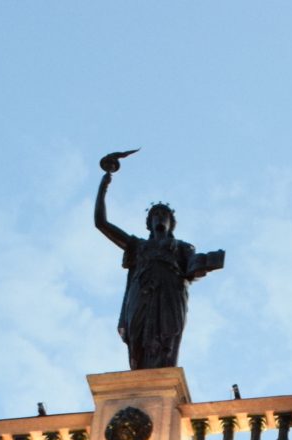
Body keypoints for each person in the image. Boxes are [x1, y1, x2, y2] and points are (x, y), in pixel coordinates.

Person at [92, 150, 224, 370]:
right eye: (155, 215)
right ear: (148, 223)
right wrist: (104, 185)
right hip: (142, 290)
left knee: (167, 338)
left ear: (172, 223)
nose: (159, 218)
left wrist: (209, 261)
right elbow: (101, 222)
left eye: (164, 215)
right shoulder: (138, 246)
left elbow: (193, 265)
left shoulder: (181, 247)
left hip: (170, 292)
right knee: (137, 337)